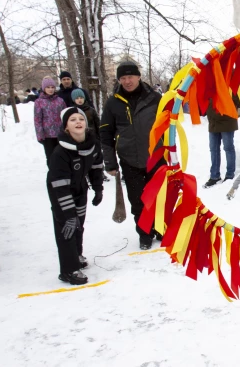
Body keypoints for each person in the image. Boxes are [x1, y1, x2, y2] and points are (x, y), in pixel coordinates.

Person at [100, 61, 162, 250]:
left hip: (156, 157)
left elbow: (169, 125)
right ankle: (145, 233)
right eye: (123, 78)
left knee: (160, 197)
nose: (127, 81)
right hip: (129, 159)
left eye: (130, 77)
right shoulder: (113, 103)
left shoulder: (155, 98)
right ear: (119, 80)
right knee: (137, 200)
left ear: (138, 76)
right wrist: (110, 162)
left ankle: (160, 228)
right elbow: (105, 132)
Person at [47, 107, 104, 285]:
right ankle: (68, 270)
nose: (78, 121)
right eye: (72, 120)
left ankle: (77, 255)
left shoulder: (92, 144)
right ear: (66, 127)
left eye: (81, 118)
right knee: (67, 226)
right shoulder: (60, 152)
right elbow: (59, 185)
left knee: (78, 224)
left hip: (80, 188)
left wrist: (98, 188)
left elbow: (96, 167)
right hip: (60, 191)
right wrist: (68, 213)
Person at [204, 94, 240, 188]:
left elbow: (237, 102)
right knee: (213, 149)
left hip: (227, 121)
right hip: (213, 122)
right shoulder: (210, 85)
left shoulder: (230, 86)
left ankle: (230, 175)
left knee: (228, 148)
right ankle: (214, 176)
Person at [34, 76, 67, 165]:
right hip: (47, 135)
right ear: (44, 88)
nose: (51, 89)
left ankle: (63, 174)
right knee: (51, 157)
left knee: (62, 156)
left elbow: (66, 116)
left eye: (52, 87)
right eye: (48, 87)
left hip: (60, 133)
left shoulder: (60, 101)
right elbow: (37, 119)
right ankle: (54, 176)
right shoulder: (39, 102)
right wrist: (40, 135)